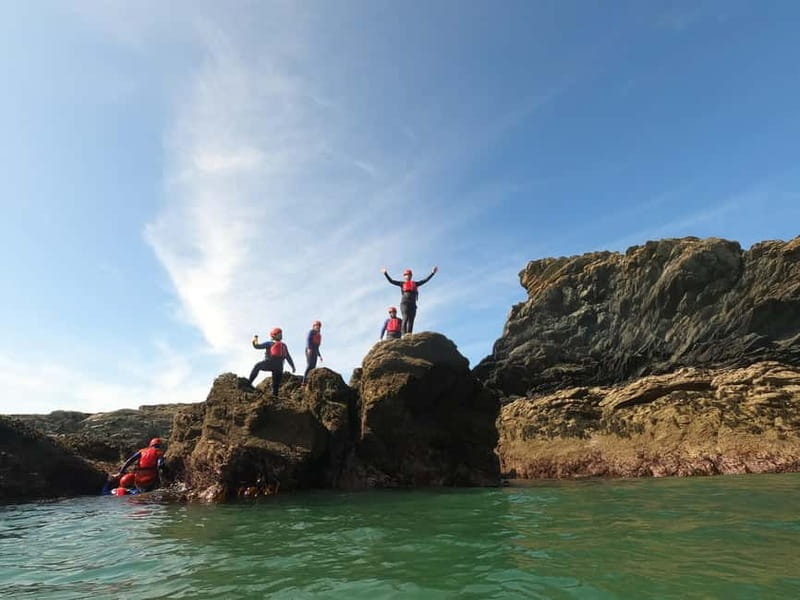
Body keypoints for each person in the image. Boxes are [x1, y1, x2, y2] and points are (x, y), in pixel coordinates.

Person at [382, 266, 438, 334]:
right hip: (405, 303)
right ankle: (403, 335)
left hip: (413, 304)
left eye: (409, 275)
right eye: (406, 275)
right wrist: (385, 273)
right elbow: (391, 281)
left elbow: (424, 281)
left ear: (411, 276)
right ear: (404, 276)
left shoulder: (415, 284)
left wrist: (432, 273)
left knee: (411, 320)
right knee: (405, 318)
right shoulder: (402, 283)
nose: (408, 276)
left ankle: (409, 335)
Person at [250, 327, 296, 397]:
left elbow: (257, 346)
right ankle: (275, 398)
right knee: (275, 385)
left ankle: (248, 383)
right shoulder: (281, 345)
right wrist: (293, 367)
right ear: (274, 335)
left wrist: (292, 366)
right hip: (278, 366)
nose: (281, 335)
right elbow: (288, 357)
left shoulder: (272, 343)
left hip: (271, 363)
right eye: (279, 334)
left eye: (281, 334)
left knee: (258, 367)